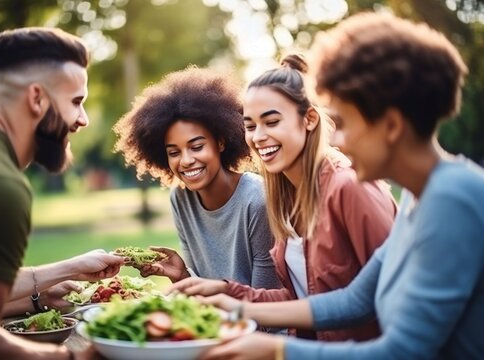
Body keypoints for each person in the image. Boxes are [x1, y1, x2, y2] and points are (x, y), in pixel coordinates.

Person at [192, 12, 484, 360]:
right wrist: (236, 308)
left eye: (343, 123)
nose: (338, 140)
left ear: (390, 125)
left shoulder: (454, 200)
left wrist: (277, 350)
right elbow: (355, 300)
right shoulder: (417, 198)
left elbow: (405, 351)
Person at [170, 54, 397, 342]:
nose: (258, 136)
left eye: (272, 122)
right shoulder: (285, 199)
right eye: (250, 126)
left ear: (310, 119)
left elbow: (392, 295)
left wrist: (238, 308)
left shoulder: (350, 187)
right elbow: (299, 296)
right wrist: (225, 291)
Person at [0, 27, 125, 359]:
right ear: (37, 98)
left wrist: (66, 271)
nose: (82, 119)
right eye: (76, 102)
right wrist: (74, 357)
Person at [113, 67, 280, 291]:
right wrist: (182, 275)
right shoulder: (180, 199)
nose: (186, 160)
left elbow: (265, 299)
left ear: (220, 143)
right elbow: (201, 294)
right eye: (174, 152)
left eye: (197, 147)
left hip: (258, 324)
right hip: (215, 322)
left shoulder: (257, 200)